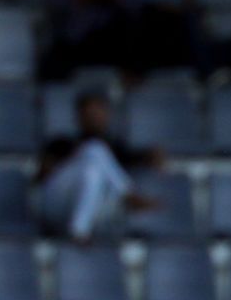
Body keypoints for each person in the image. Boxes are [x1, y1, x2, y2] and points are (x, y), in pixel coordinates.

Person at [37, 91, 162, 242]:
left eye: (98, 112)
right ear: (79, 116)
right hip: (57, 208)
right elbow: (41, 178)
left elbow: (134, 159)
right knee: (95, 149)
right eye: (89, 113)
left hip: (95, 216)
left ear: (107, 115)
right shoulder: (62, 144)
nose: (94, 118)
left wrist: (150, 156)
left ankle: (79, 230)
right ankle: (129, 196)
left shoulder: (115, 148)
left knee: (94, 167)